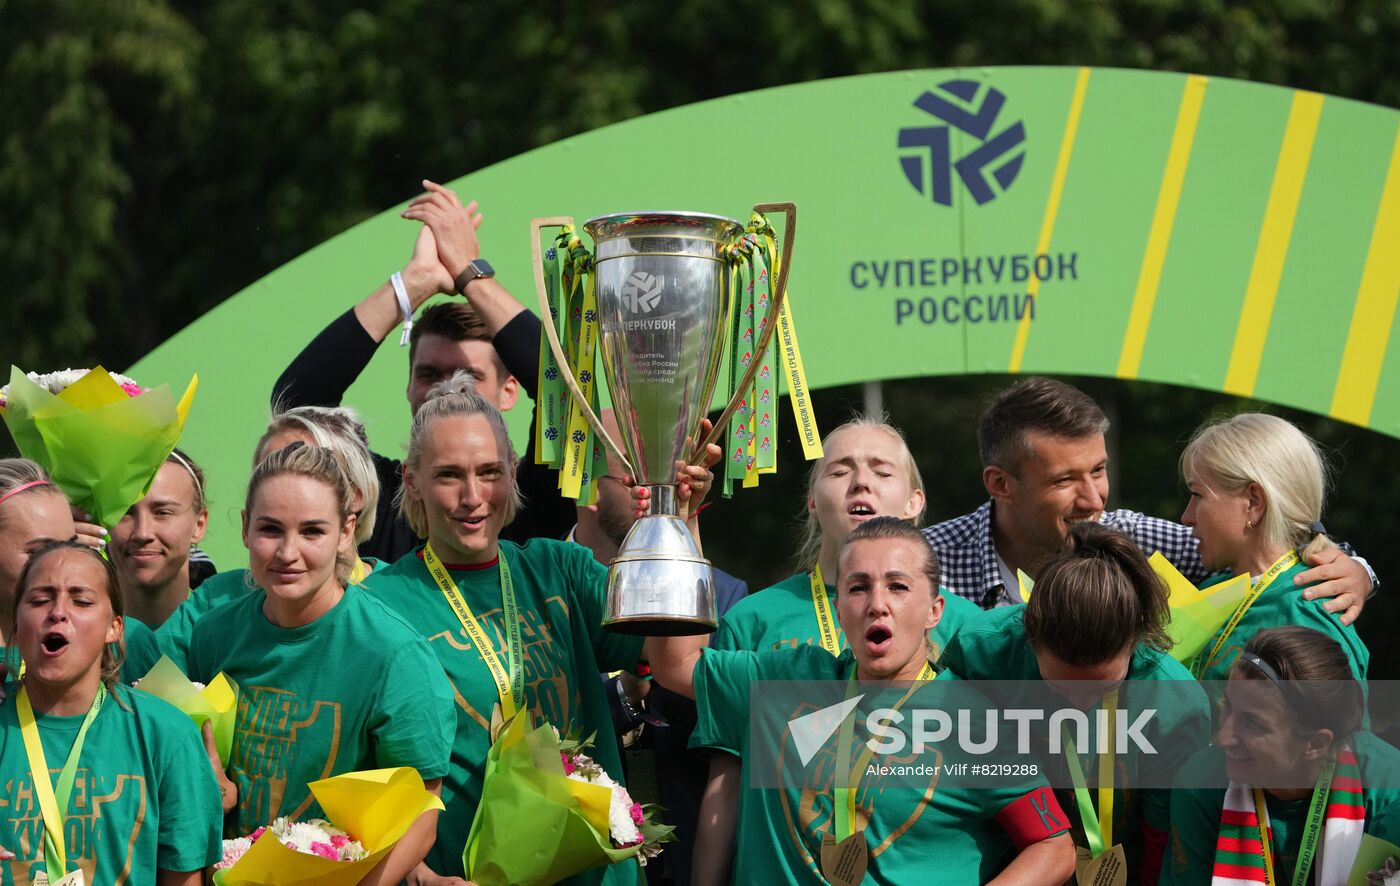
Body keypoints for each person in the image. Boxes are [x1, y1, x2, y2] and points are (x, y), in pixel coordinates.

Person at [361, 373, 706, 884]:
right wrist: (421, 876)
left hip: (595, 875)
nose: (473, 496)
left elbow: (678, 658)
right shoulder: (378, 604)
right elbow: (366, 775)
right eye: (449, 475)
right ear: (412, 480)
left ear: (513, 474)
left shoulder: (559, 570)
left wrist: (679, 520)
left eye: (490, 472)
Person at [648, 517, 1077, 884]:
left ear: (935, 611)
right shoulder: (782, 679)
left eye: (898, 586)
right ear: (838, 609)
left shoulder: (974, 722)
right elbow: (673, 663)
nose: (877, 604)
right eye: (858, 588)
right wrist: (675, 520)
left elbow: (1054, 847)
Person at [693, 415, 982, 885]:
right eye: (840, 470)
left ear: (915, 502)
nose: (861, 481)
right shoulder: (753, 618)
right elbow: (727, 778)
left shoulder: (964, 625)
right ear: (811, 499)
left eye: (882, 471)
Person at [187, 443, 455, 884]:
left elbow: (420, 817)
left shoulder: (395, 655)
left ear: (346, 531)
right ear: (244, 529)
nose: (288, 552)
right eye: (270, 529)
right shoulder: (214, 634)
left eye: (312, 531)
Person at [273, 190, 573, 561]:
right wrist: (414, 282)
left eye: (470, 375)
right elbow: (294, 408)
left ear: (509, 390)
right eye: (429, 374)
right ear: (409, 385)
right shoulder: (377, 495)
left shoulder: (529, 491)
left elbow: (567, 387)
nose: (447, 388)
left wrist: (469, 271)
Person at [922, 377, 1375, 618]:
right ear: (1000, 483)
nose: (1094, 498)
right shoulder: (924, 563)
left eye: (1098, 470)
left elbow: (1273, 550)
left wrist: (1356, 571)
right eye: (1064, 481)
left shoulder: (1132, 538)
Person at [939, 522, 1212, 882]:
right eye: (1060, 687)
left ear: (1136, 641)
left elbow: (1162, 838)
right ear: (1028, 635)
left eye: (1101, 690)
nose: (1079, 707)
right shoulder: (981, 653)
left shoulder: (1173, 701)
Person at [571, 408, 748, 886]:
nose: (654, 485)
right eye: (636, 468)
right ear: (582, 478)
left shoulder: (726, 597)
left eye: (666, 466)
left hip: (687, 859)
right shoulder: (535, 588)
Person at [0, 539, 221, 884]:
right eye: (40, 600)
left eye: (81, 600)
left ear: (114, 627)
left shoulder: (167, 737)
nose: (57, 612)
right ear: (16, 622)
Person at [1164, 626, 1400, 884]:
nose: (1222, 737)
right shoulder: (1200, 784)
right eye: (1227, 706)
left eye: (1253, 723)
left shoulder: (1389, 793)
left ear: (1316, 744)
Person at [156, 405, 382, 670]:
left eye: (312, 465)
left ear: (356, 495)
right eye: (268, 470)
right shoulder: (216, 600)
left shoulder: (394, 603)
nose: (285, 480)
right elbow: (138, 681)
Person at [1180, 413, 1369, 681]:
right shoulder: (1210, 593)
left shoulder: (1310, 614)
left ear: (1254, 501)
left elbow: (1339, 723)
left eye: (1198, 495)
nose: (1186, 517)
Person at [0, 459, 161, 682]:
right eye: (40, 551)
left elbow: (167, 715)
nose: (60, 567)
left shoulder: (125, 639)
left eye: (71, 546)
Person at [108, 448, 209, 629]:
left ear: (199, 525)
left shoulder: (227, 637)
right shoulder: (77, 637)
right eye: (124, 512)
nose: (142, 533)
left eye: (163, 513)